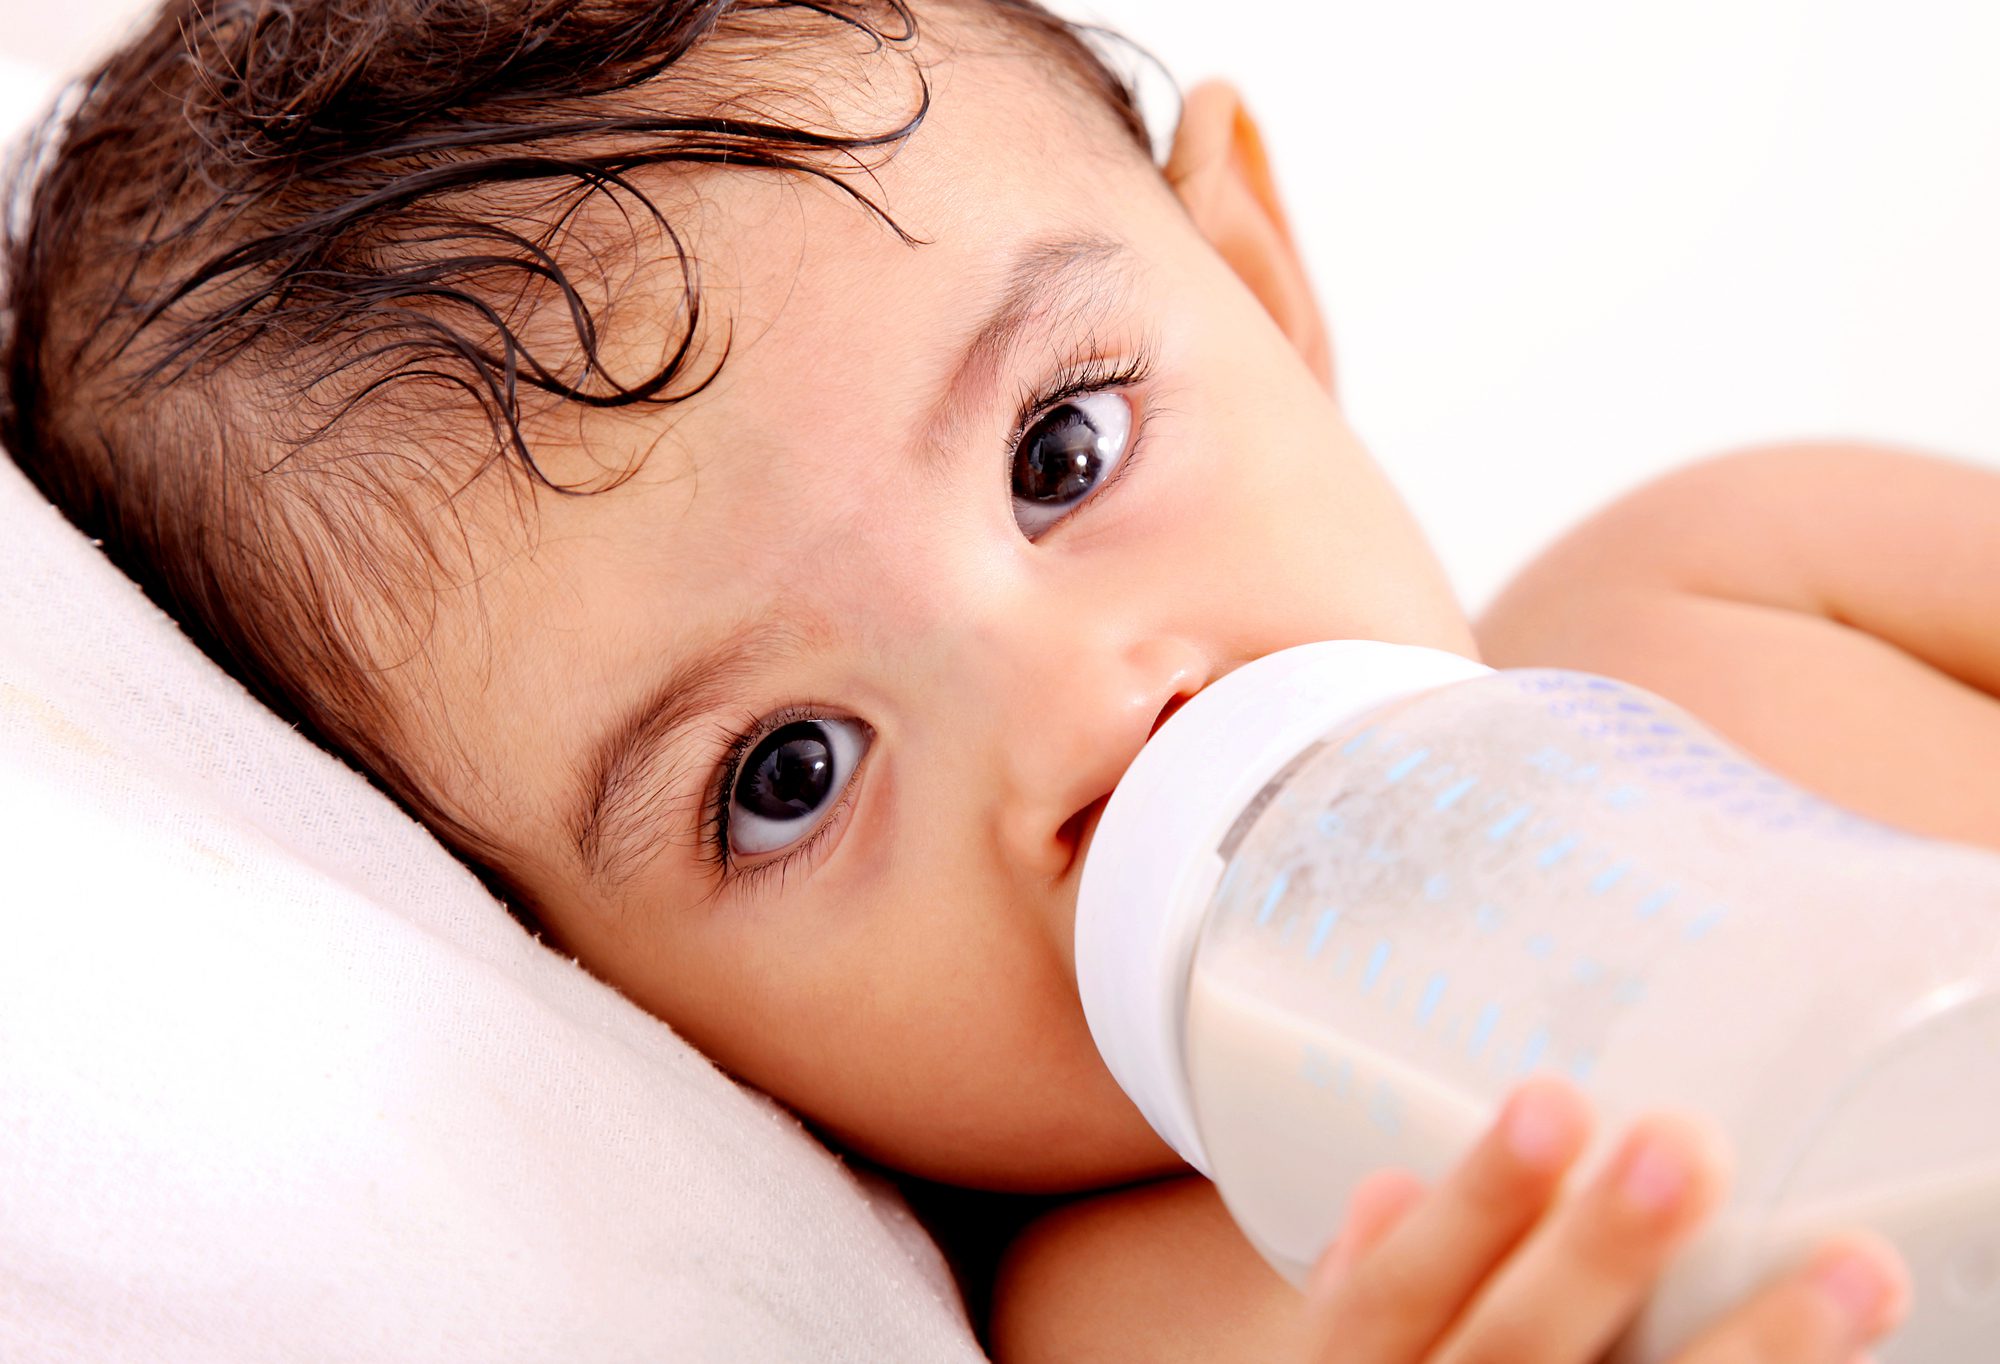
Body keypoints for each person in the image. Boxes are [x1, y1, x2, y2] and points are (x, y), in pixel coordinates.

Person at [9, 0, 1996, 1357]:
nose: (1084, 723)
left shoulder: (1756, 566)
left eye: (1064, 450)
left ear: (1262, 289)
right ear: (594, 990)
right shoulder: (1120, 1317)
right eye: (783, 770)